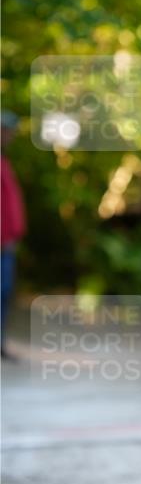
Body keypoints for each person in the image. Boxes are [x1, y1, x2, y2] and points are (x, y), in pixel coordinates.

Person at [1, 111, 26, 360]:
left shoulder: (4, 161)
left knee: (4, 292)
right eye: (6, 131)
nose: (10, 136)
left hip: (7, 245)